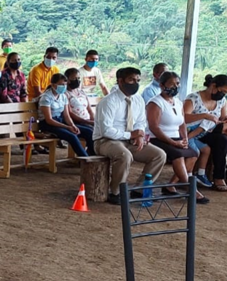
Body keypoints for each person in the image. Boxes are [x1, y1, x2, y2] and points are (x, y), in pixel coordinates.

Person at [93, 67, 167, 205]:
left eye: (138, 80)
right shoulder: (109, 101)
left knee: (159, 155)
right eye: (131, 80)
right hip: (105, 141)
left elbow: (141, 121)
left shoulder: (138, 99)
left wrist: (139, 135)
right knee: (124, 155)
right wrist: (131, 134)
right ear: (120, 81)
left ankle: (139, 189)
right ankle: (116, 192)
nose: (135, 83)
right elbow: (106, 130)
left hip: (130, 139)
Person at [146, 71, 208, 203]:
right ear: (162, 85)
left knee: (193, 153)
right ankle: (190, 188)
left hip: (175, 138)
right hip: (157, 138)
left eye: (178, 83)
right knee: (178, 154)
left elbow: (182, 123)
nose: (176, 87)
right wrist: (173, 143)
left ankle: (171, 185)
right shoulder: (155, 103)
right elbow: (154, 127)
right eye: (172, 84)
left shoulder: (178, 102)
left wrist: (184, 138)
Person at [184, 74, 227, 191]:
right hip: (197, 132)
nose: (224, 95)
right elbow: (184, 118)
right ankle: (218, 177)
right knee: (222, 140)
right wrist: (205, 115)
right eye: (223, 91)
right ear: (213, 86)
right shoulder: (194, 98)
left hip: (213, 130)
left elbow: (221, 119)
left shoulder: (222, 100)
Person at [39, 74, 94, 157]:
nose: (64, 87)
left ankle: (94, 156)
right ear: (53, 85)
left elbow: (66, 116)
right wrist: (67, 127)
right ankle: (86, 160)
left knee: (89, 132)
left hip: (60, 121)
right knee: (72, 136)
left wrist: (72, 125)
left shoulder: (63, 96)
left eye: (65, 84)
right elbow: (49, 120)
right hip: (48, 124)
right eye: (61, 85)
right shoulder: (46, 97)